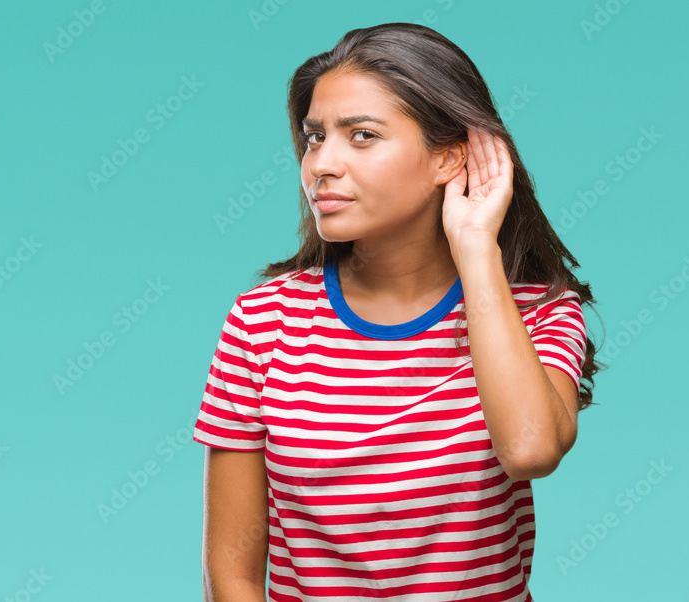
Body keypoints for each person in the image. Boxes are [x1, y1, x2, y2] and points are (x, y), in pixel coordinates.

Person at [193, 23, 605, 602]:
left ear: (449, 158)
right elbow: (232, 577)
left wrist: (475, 248)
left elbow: (530, 449)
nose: (321, 165)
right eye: (315, 138)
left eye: (361, 135)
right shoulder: (262, 321)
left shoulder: (538, 314)